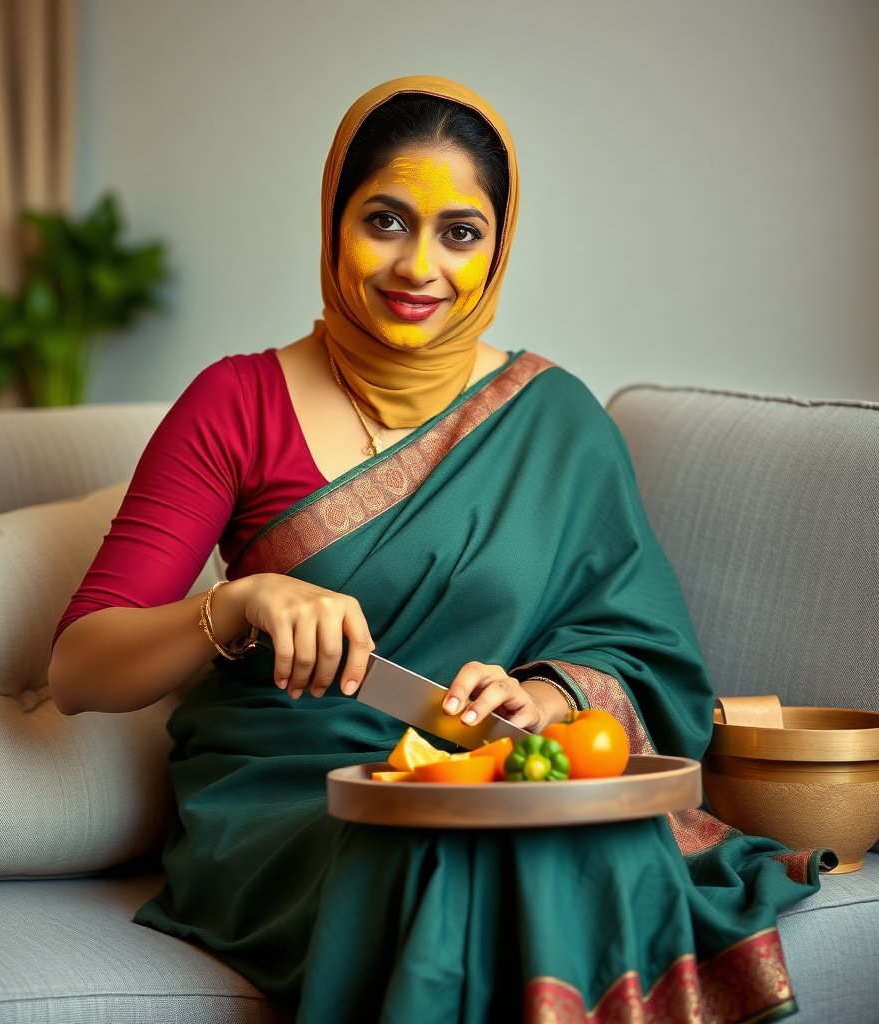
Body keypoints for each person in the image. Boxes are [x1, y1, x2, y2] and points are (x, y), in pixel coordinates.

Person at [49, 76, 826, 1024]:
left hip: (482, 772)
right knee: (449, 851)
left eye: (460, 232)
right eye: (385, 219)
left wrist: (544, 695)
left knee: (580, 838)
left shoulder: (556, 420)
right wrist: (243, 603)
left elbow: (645, 653)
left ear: (498, 248)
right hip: (294, 797)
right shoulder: (236, 403)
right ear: (333, 221)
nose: (420, 265)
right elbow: (80, 667)